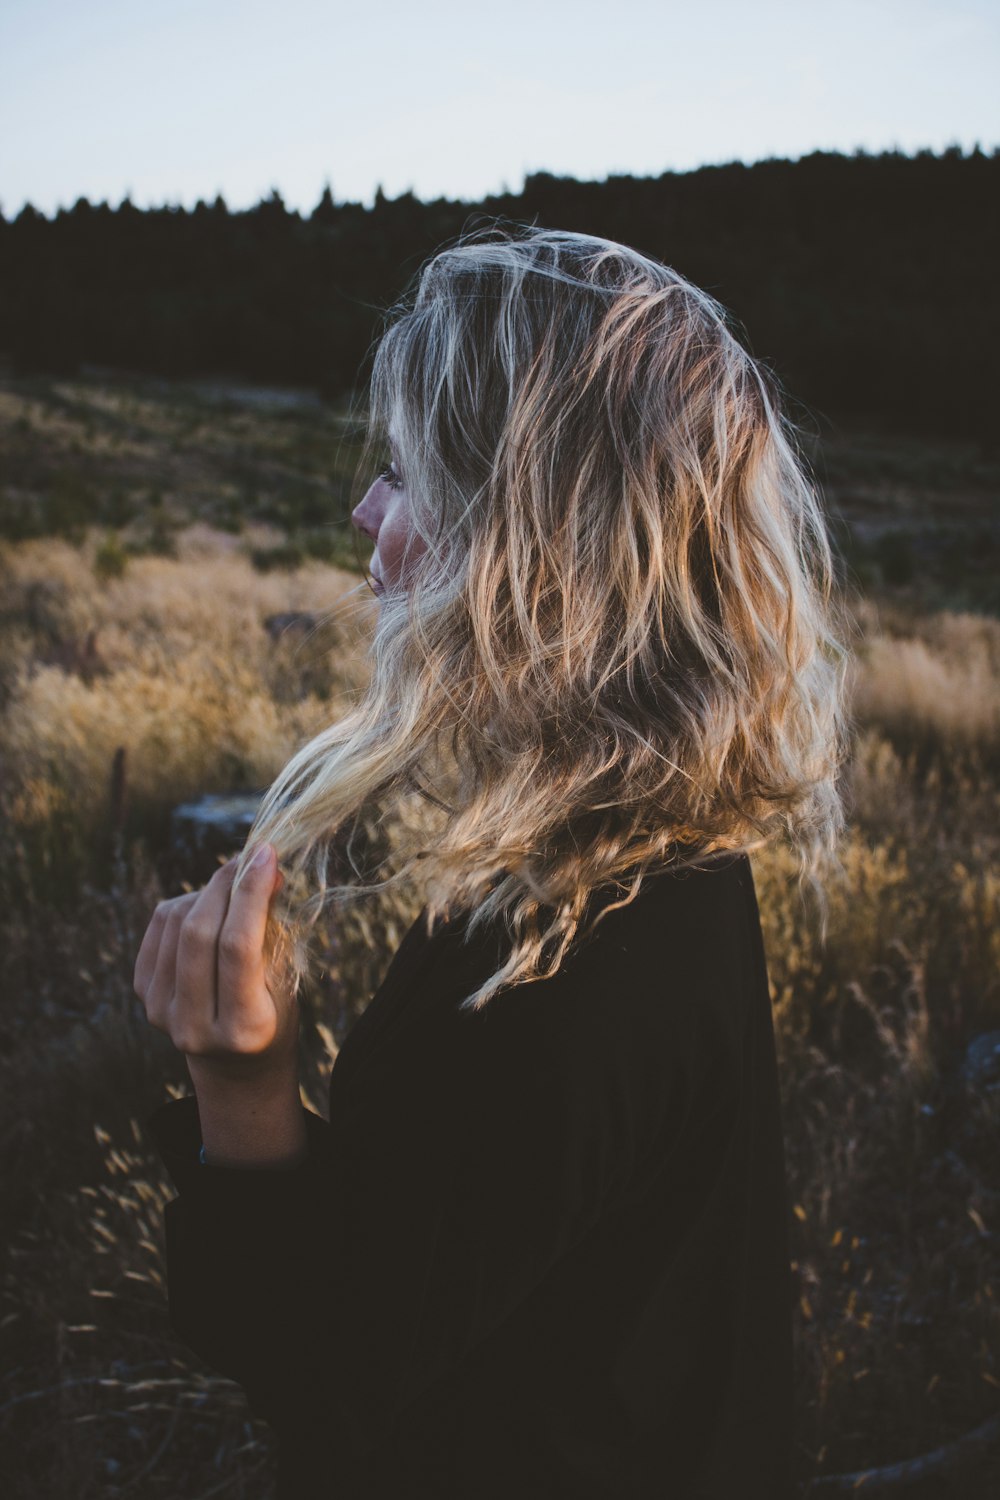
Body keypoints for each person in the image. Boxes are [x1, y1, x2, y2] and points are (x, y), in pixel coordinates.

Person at [138, 226, 852, 1499]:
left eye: (408, 474)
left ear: (533, 551)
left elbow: (323, 1365)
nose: (366, 507)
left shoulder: (571, 955)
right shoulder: (653, 852)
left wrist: (238, 1083)